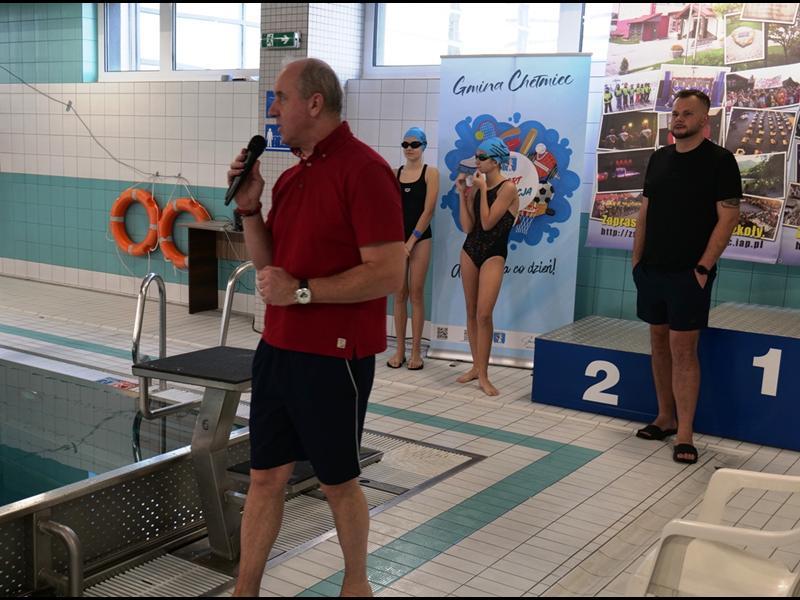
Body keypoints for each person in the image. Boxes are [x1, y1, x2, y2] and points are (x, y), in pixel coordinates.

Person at [227, 58, 405, 597]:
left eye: (280, 98)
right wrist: (251, 210)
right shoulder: (293, 176)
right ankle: (245, 589)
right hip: (278, 347)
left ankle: (356, 584)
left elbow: (388, 273)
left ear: (314, 102)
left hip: (333, 357)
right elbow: (269, 270)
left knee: (337, 482)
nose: (273, 109)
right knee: (264, 477)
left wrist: (302, 291)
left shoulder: (365, 171)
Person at [631, 89, 741, 465]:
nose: (679, 118)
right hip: (652, 269)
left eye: (687, 113)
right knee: (658, 344)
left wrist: (703, 267)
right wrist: (636, 261)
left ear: (704, 120)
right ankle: (665, 417)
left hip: (689, 273)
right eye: (676, 112)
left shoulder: (720, 161)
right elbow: (645, 213)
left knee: (683, 351)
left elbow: (728, 217)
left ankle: (685, 434)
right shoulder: (659, 158)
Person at [455, 137, 520, 396]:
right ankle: (475, 367)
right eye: (476, 157)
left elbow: (489, 222)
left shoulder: (508, 188)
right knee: (471, 311)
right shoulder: (476, 186)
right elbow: (468, 226)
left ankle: (483, 374)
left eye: (482, 158)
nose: (477, 162)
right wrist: (462, 195)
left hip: (494, 254)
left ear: (495, 161)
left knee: (484, 314)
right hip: (470, 250)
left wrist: (482, 190)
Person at [387, 127, 439, 371]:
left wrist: (410, 242)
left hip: (421, 240)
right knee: (399, 295)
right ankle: (399, 350)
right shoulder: (394, 173)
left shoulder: (431, 173)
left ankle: (416, 351)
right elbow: (389, 209)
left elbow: (428, 211)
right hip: (398, 241)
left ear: (423, 146)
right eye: (405, 144)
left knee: (416, 293)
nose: (409, 148)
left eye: (414, 144)